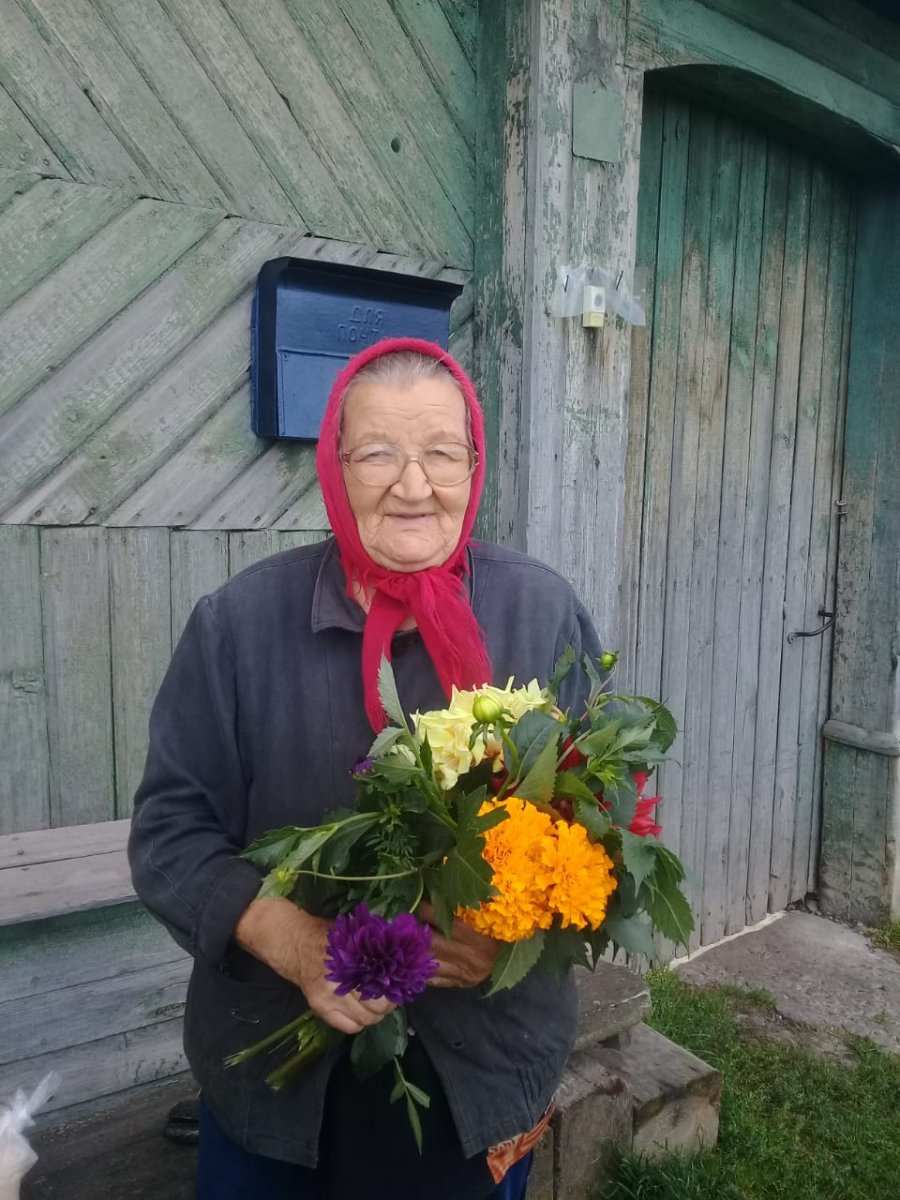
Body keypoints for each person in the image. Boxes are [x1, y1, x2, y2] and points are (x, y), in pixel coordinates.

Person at [129, 336, 602, 1199]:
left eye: (440, 453)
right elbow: (168, 835)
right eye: (378, 452)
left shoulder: (541, 610)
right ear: (334, 469)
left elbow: (606, 813)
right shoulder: (239, 628)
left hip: (481, 1069)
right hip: (271, 1069)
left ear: (475, 463)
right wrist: (296, 943)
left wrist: (512, 928)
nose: (413, 484)